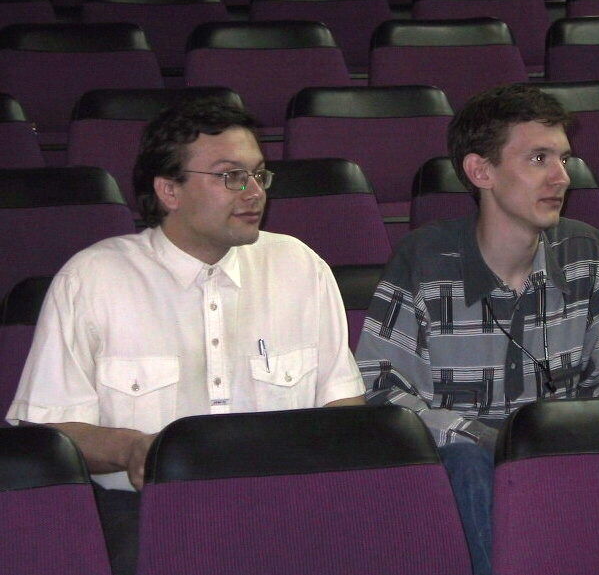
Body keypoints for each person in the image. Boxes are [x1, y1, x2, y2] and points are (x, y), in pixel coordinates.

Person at [6, 98, 365, 574]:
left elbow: (342, 407)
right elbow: (50, 431)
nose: (254, 192)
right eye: (231, 176)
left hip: (287, 505)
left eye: (259, 175)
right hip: (144, 513)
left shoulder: (299, 266)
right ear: (169, 190)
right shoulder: (92, 279)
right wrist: (132, 449)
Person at [355, 84, 599, 574]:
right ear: (480, 171)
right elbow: (384, 391)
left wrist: (558, 443)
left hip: (565, 464)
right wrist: (491, 443)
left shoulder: (589, 254)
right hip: (456, 477)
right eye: (538, 159)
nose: (561, 177)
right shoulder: (425, 261)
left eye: (564, 159)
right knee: (468, 467)